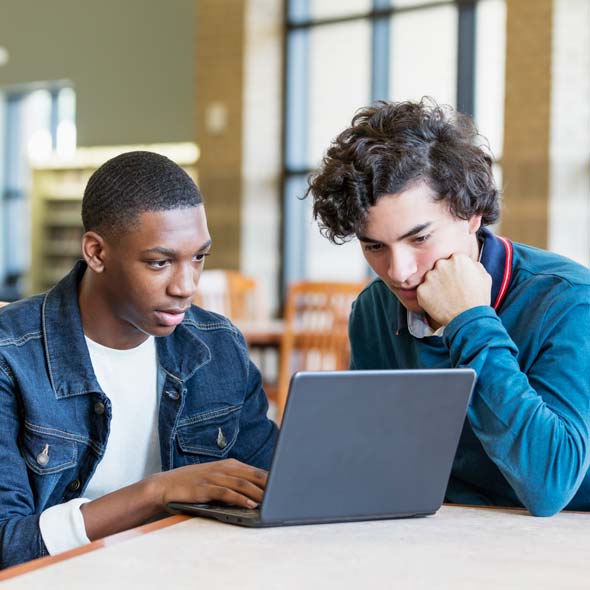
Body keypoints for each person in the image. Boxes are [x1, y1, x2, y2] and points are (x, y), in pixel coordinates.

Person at [306, 98, 590, 516]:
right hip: (445, 531)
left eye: (419, 239)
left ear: (472, 214)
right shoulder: (374, 308)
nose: (399, 272)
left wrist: (469, 320)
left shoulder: (567, 301)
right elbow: (385, 460)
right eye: (374, 246)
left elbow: (549, 485)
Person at [0, 151, 278, 568]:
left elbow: (273, 486)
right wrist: (155, 492)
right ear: (96, 252)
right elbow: (7, 543)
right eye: (159, 262)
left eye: (199, 257)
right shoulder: (12, 357)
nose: (186, 286)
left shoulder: (219, 346)